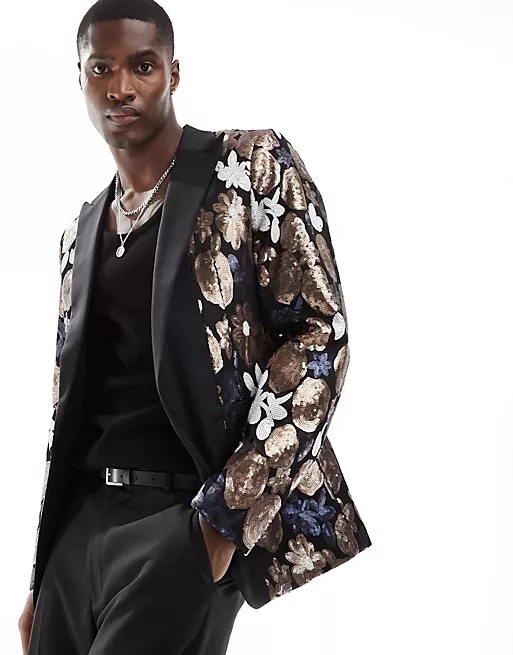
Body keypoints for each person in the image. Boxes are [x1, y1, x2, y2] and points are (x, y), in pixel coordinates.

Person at [19, 0, 373, 653]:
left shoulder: (248, 168)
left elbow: (320, 335)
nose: (120, 87)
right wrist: (42, 574)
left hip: (183, 523)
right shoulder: (81, 230)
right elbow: (70, 411)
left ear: (173, 73)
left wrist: (221, 523)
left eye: (142, 65)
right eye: (101, 68)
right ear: (80, 79)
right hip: (80, 532)